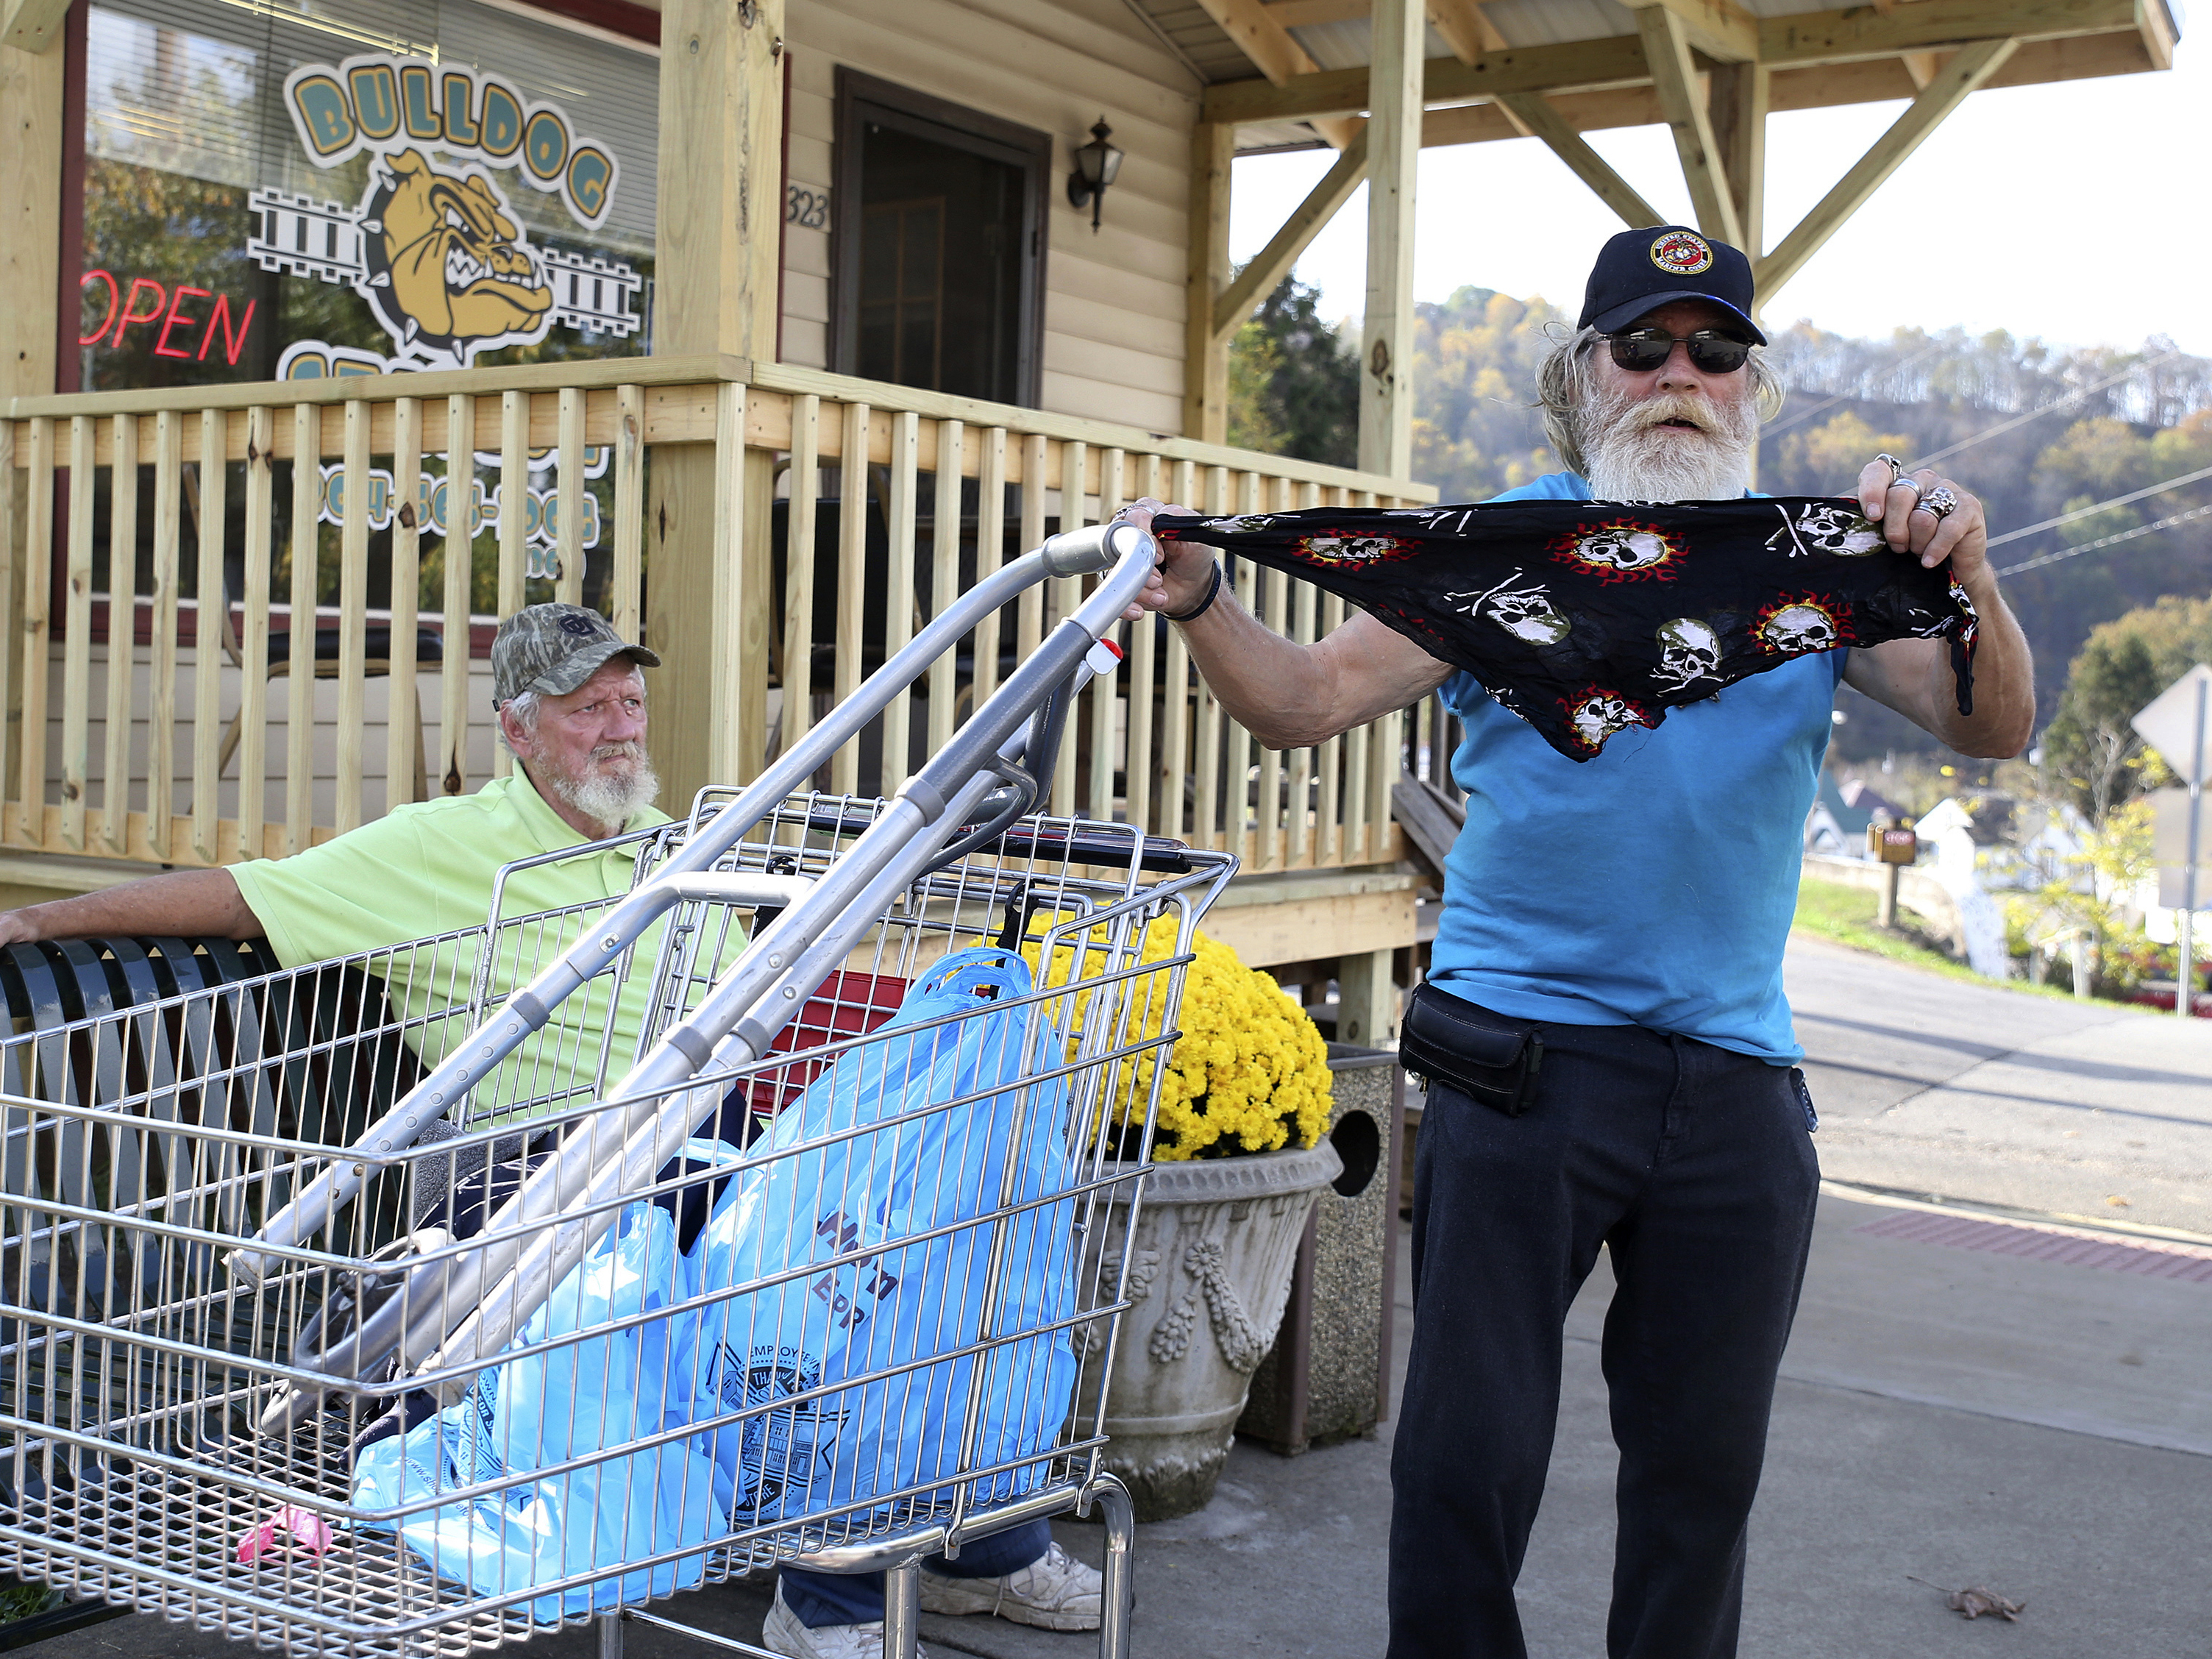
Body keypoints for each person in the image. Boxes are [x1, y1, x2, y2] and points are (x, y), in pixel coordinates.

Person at [1118, 227, 2035, 1659]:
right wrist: (1201, 598)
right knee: (1465, 1465)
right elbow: (1305, 701)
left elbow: (1991, 726)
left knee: (1700, 1484)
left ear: (1750, 388)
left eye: (1714, 352)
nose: (1680, 378)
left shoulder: (1804, 569)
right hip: (1521, 1069)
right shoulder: (1509, 556)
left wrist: (1970, 572)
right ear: (1582, 376)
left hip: (1736, 1086)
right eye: (1644, 347)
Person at [0, 600, 1098, 1658]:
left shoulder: (677, 844)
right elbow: (246, 894)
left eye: (629, 703)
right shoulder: (439, 847)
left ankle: (984, 1544)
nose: (620, 728)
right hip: (542, 1181)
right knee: (812, 1301)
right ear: (519, 730)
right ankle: (830, 1595)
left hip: (699, 1163)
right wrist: (40, 918)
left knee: (941, 1258)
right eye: (587, 709)